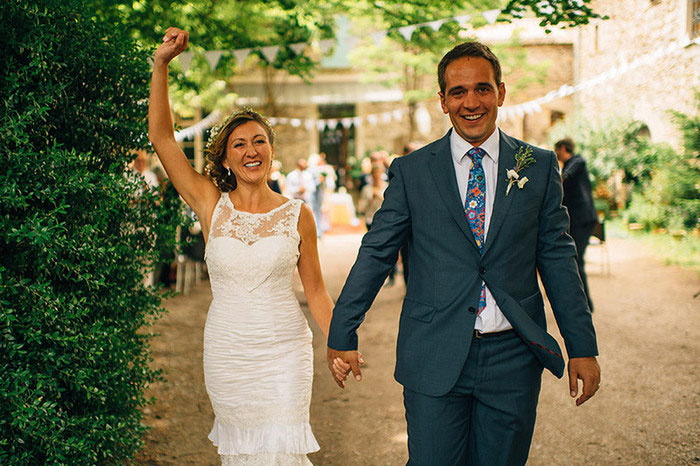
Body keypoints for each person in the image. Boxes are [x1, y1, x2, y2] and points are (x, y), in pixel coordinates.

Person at [327, 41, 600, 465]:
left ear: (501, 93)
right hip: (433, 352)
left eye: (482, 89)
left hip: (513, 357)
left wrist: (581, 345)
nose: (470, 102)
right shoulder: (413, 171)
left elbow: (558, 259)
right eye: (458, 92)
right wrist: (342, 330)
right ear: (442, 101)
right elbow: (376, 253)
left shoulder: (538, 166)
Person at [149, 27, 333, 465]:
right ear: (226, 157)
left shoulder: (297, 214)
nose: (251, 151)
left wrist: (341, 341)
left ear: (271, 150)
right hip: (228, 351)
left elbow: (317, 292)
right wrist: (161, 65)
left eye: (259, 141)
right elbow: (163, 139)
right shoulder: (210, 204)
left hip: (285, 350)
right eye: (239, 144)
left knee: (282, 452)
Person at [555, 138, 598, 312]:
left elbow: (565, 177)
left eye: (557, 150)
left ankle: (585, 304)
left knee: (577, 260)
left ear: (564, 148)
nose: (556, 154)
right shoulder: (569, 164)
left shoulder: (577, 161)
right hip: (576, 219)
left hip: (583, 219)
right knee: (573, 259)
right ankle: (581, 301)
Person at [359, 164, 395, 286]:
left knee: (389, 246)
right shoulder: (366, 189)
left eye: (378, 174)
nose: (376, 177)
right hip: (371, 219)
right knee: (373, 248)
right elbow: (361, 207)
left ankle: (392, 275)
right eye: (374, 174)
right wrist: (371, 200)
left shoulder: (387, 187)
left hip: (386, 220)